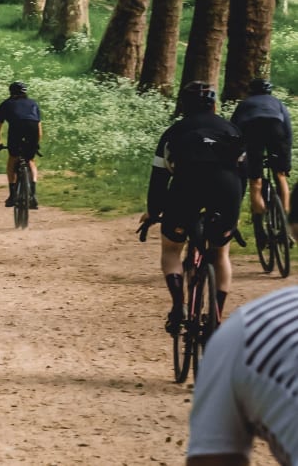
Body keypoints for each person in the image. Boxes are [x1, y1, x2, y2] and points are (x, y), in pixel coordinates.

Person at [140, 81, 245, 335]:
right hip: (226, 191)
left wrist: (154, 212)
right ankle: (216, 318)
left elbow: (159, 176)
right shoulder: (231, 130)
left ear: (184, 105)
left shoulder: (174, 132)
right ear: (214, 104)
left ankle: (179, 306)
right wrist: (234, 214)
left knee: (172, 249)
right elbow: (243, 175)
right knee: (220, 254)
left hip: (186, 188)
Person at [186, 285, 298, 465]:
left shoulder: (245, 329)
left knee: (171, 255)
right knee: (222, 257)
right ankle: (216, 313)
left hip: (245, 335)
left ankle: (178, 306)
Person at [230, 78, 292, 246]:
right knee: (280, 176)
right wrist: (286, 162)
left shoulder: (245, 104)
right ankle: (284, 224)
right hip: (276, 129)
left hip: (252, 131)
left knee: (255, 182)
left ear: (251, 91)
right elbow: (287, 131)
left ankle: (260, 224)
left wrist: (236, 155)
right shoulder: (277, 103)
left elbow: (233, 129)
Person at [0, 81, 42, 208]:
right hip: (32, 128)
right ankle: (33, 195)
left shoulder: (5, 104)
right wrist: (36, 144)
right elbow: (39, 127)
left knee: (13, 158)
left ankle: (12, 195)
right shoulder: (33, 103)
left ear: (11, 92)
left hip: (16, 127)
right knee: (30, 159)